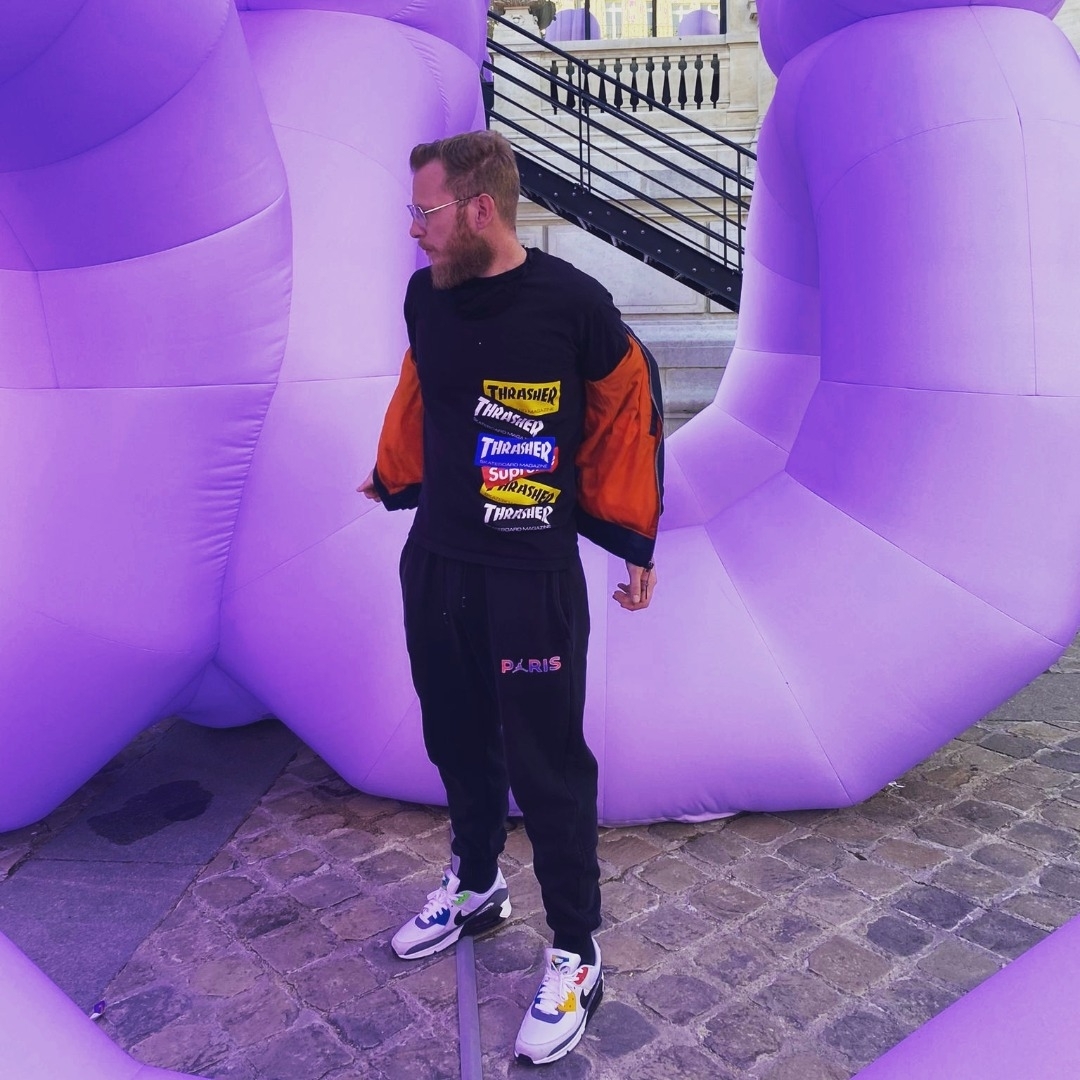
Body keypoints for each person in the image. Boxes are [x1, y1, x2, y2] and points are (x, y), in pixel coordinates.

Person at [357, 130, 662, 1066]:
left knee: (547, 761)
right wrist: (395, 471)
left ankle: (576, 948)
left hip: (532, 579)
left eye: (425, 211)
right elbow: (422, 392)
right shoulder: (426, 297)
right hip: (438, 563)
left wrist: (632, 537)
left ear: (479, 209)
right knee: (454, 734)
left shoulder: (572, 304)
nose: (413, 230)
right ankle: (477, 883)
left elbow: (630, 403)